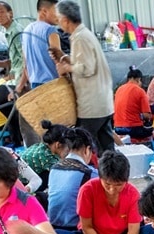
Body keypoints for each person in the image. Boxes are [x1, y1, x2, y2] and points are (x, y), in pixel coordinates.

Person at [60, 151, 154, 234]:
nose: (112, 190)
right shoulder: (87, 190)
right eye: (107, 184)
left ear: (126, 180)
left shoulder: (132, 194)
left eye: (118, 185)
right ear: (100, 178)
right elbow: (86, 226)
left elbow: (134, 228)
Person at [55, 0, 114, 158]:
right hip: (102, 103)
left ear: (66, 20)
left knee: (81, 146)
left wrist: (67, 68)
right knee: (106, 148)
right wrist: (67, 59)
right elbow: (85, 63)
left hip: (92, 106)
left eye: (59, 18)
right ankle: (112, 176)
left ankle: (91, 177)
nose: (58, 22)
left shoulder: (80, 37)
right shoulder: (83, 35)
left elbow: (87, 68)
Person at [44, 127, 97, 234]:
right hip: (75, 230)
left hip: (52, 227)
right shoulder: (89, 173)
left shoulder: (54, 168)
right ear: (87, 150)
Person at [0, 1, 27, 92]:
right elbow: (15, 61)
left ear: (10, 13)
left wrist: (20, 86)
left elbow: (27, 60)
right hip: (15, 76)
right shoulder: (8, 31)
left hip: (21, 80)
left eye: (1, 12)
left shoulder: (16, 32)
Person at [20, 0, 63, 91]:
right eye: (57, 11)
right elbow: (58, 60)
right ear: (44, 11)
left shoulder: (25, 31)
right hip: (53, 85)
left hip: (35, 85)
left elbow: (25, 64)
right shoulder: (50, 30)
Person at [113, 67, 152, 141]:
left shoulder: (119, 89)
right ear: (138, 79)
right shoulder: (140, 91)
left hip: (117, 128)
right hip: (133, 129)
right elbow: (147, 115)